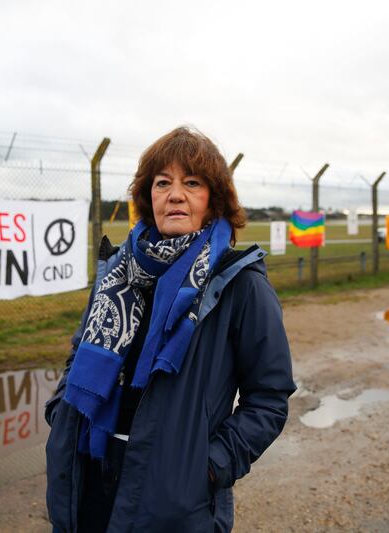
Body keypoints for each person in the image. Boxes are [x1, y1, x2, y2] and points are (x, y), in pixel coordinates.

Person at [45, 126, 295, 532]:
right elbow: (79, 352)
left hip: (172, 499)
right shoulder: (117, 274)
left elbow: (269, 397)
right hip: (86, 473)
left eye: (191, 183)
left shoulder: (240, 284)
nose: (175, 194)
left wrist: (209, 468)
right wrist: (61, 415)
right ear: (149, 198)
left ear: (214, 201)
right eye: (163, 183)